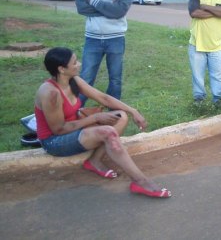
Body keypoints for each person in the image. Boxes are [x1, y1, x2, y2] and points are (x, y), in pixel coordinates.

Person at [34, 47, 171, 198]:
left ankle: (94, 161)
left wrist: (133, 111)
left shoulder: (74, 81)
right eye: (74, 62)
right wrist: (94, 119)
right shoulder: (50, 93)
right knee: (108, 132)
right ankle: (141, 181)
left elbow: (104, 98)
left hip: (74, 128)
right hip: (54, 141)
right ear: (61, 69)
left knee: (121, 116)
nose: (79, 64)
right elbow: (58, 129)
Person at [75, 0, 133, 105]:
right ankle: (75, 109)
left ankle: (114, 110)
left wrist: (92, 1)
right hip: (92, 39)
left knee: (115, 79)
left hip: (116, 38)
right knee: (86, 77)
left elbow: (119, 11)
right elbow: (81, 8)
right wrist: (108, 8)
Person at [188, 0, 221, 105]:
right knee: (197, 76)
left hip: (217, 46)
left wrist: (205, 6)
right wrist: (219, 11)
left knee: (218, 76)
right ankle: (199, 100)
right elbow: (195, 13)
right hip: (196, 44)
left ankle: (219, 100)